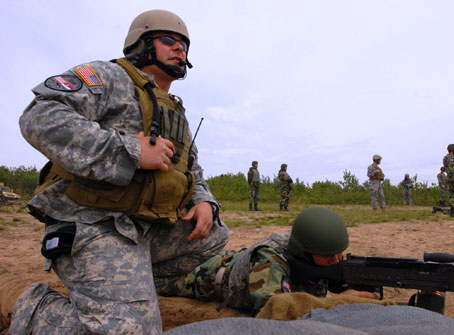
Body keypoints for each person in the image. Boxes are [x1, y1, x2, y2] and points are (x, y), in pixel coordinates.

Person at [3, 10, 229, 334]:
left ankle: (125, 287)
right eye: (169, 40)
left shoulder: (174, 111)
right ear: (142, 45)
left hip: (140, 227)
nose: (180, 49)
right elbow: (40, 116)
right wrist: (131, 151)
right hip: (92, 222)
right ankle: (18, 299)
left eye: (184, 44)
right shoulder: (109, 77)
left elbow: (191, 167)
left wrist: (204, 200)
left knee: (215, 234)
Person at [159, 207, 379, 316]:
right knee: (163, 283)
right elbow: (272, 311)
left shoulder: (317, 252)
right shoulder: (270, 259)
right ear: (304, 252)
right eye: (329, 256)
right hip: (206, 275)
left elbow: (342, 281)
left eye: (340, 253)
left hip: (238, 260)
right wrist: (339, 301)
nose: (336, 260)